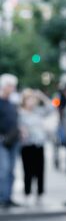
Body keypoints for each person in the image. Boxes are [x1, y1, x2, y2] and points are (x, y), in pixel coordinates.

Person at [19, 89, 55, 204]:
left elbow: (51, 108)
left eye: (33, 99)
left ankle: (40, 193)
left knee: (40, 170)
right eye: (29, 99)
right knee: (27, 170)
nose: (31, 102)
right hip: (27, 144)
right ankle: (27, 192)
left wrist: (42, 96)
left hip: (39, 144)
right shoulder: (20, 113)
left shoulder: (38, 111)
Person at [0, 73, 20, 208]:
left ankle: (8, 197)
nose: (13, 88)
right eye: (11, 86)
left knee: (11, 170)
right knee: (4, 169)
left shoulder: (12, 103)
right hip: (2, 140)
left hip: (14, 140)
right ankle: (2, 197)